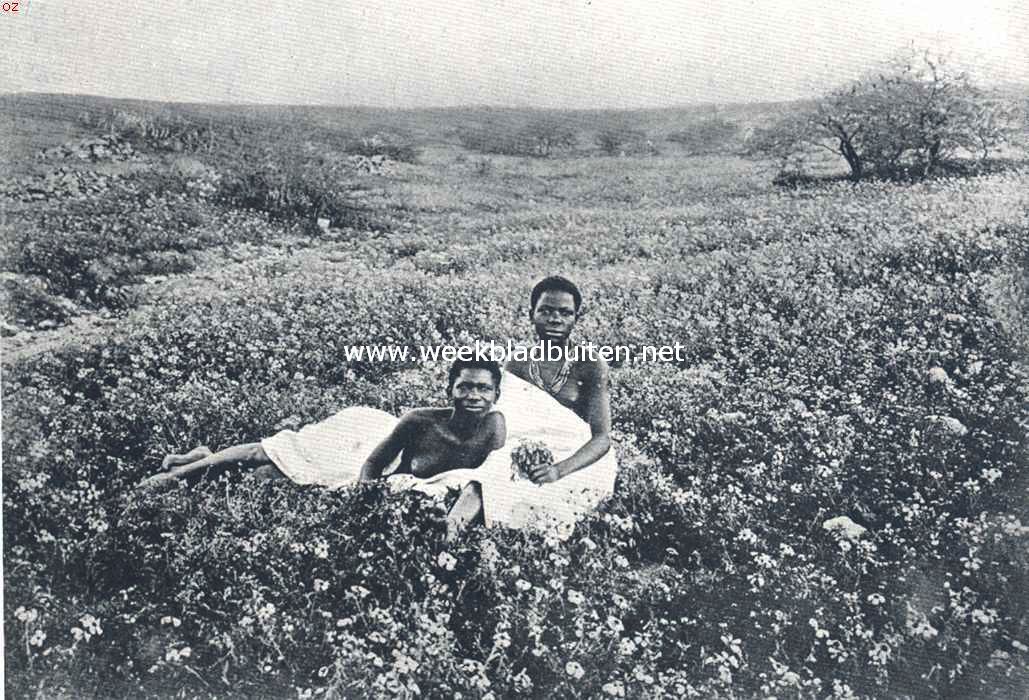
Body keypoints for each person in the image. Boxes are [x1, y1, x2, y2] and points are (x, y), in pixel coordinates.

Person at [139, 360, 506, 498]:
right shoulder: (420, 419)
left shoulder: (494, 429)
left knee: (266, 481)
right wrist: (367, 498)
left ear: (496, 395)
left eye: (483, 388)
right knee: (272, 452)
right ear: (450, 390)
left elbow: (494, 478)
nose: (473, 395)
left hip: (393, 481)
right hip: (359, 443)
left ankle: (205, 455)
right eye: (464, 386)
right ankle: (182, 473)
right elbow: (373, 466)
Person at [442, 276, 618, 538]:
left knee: (545, 503)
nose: (555, 319)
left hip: (576, 457)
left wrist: (557, 470)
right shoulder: (517, 364)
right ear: (531, 314)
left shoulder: (590, 365)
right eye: (545, 311)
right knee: (489, 473)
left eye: (564, 313)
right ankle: (450, 538)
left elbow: (602, 438)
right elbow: (503, 420)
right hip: (522, 449)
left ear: (575, 318)